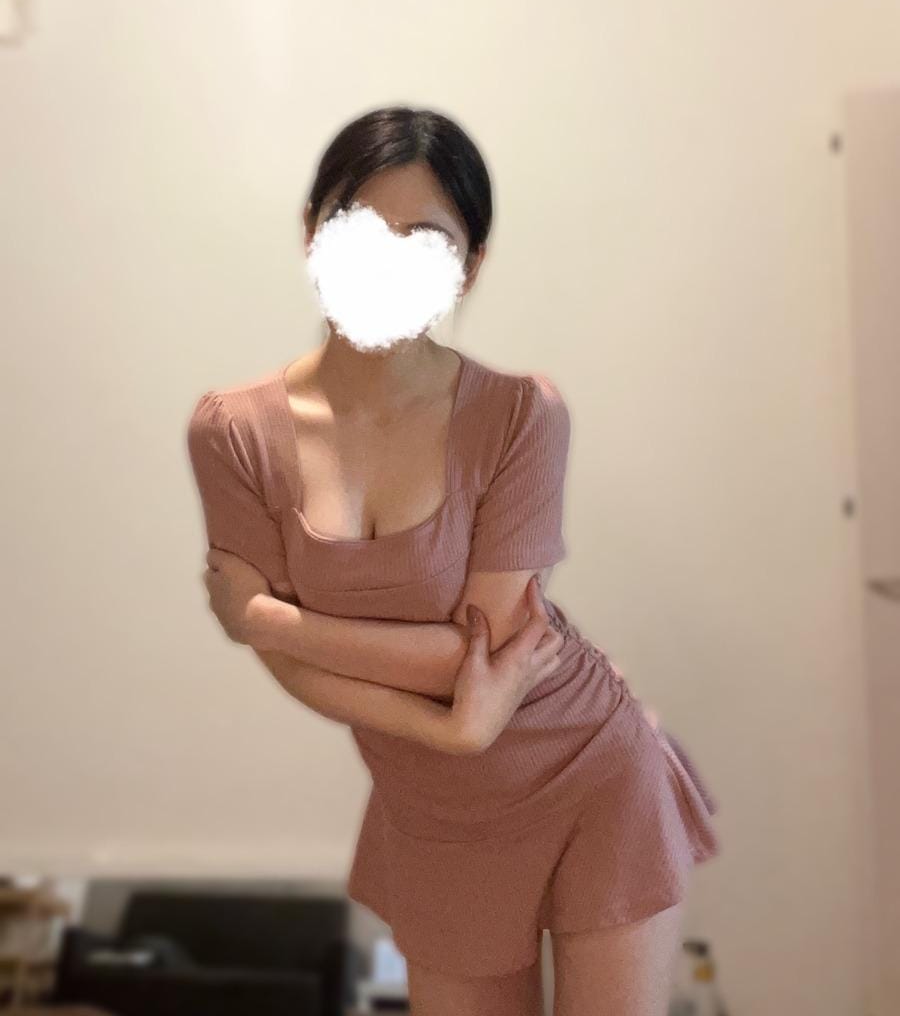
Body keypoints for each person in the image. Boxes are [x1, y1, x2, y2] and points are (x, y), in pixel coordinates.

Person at [186, 105, 721, 1016]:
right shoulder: (234, 433)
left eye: (427, 241)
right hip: (431, 807)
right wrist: (446, 733)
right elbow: (309, 671)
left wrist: (267, 618)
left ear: (469, 267)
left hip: (586, 768)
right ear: (313, 232)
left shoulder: (520, 415)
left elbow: (476, 655)